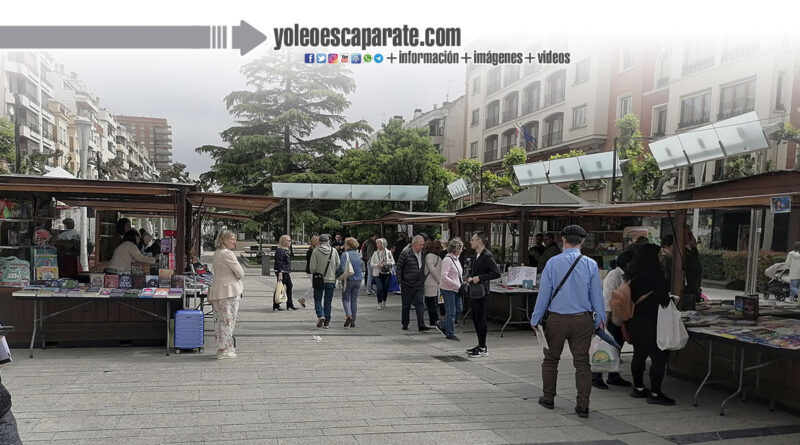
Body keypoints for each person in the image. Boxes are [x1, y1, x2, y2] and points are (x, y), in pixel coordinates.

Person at [530, 225, 605, 418]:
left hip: (557, 319)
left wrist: (536, 317)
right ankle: (583, 405)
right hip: (582, 320)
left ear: (563, 240)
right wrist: (601, 319)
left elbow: (544, 293)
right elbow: (597, 294)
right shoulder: (590, 264)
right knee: (582, 363)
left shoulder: (553, 263)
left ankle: (548, 397)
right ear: (582, 242)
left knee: (550, 359)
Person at [626, 243, 675, 405]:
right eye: (659, 255)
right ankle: (655, 393)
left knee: (638, 354)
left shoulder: (632, 275)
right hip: (653, 322)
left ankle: (638, 388)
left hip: (635, 321)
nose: (661, 257)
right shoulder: (656, 277)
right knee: (659, 358)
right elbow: (664, 300)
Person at [592, 250, 635, 390]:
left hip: (620, 317)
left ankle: (613, 374)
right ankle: (596, 376)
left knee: (616, 346)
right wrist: (605, 321)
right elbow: (606, 297)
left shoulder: (627, 275)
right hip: (610, 317)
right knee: (604, 347)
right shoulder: (614, 275)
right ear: (628, 263)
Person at [208, 229, 244, 359]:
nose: (235, 241)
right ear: (224, 240)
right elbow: (240, 273)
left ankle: (222, 347)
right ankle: (226, 348)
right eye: (232, 239)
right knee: (228, 320)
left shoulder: (217, 253)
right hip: (229, 291)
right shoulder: (228, 254)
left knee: (219, 320)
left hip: (217, 290)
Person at [465, 231, 501, 358]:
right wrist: (470, 277)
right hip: (475, 291)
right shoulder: (477, 255)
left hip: (482, 292)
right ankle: (480, 344)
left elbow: (496, 273)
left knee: (480, 318)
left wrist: (480, 277)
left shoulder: (487, 255)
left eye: (473, 239)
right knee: (475, 317)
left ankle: (483, 347)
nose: (471, 242)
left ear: (479, 241)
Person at [395, 235, 432, 332]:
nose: (422, 247)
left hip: (419, 283)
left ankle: (421, 324)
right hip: (407, 283)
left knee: (420, 304)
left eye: (423, 245)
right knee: (406, 305)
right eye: (420, 245)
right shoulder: (405, 253)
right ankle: (405, 323)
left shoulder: (423, 254)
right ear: (414, 244)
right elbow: (399, 268)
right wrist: (400, 281)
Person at [309, 234, 340, 329]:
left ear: (319, 242)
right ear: (328, 241)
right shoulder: (334, 251)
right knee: (328, 301)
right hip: (331, 279)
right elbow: (338, 265)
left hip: (319, 279)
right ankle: (327, 322)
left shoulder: (315, 251)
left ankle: (320, 315)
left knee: (317, 298)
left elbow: (312, 268)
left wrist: (316, 272)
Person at [439, 237, 465, 341]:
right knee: (451, 311)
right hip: (448, 289)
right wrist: (456, 284)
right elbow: (444, 277)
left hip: (456, 289)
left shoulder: (457, 259)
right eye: (461, 248)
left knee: (459, 309)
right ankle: (450, 333)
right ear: (456, 249)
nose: (462, 250)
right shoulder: (447, 260)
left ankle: (443, 324)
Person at [337, 237, 363, 328]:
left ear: (348, 245)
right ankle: (353, 320)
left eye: (345, 244)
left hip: (349, 279)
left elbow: (342, 267)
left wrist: (337, 275)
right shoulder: (358, 254)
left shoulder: (345, 254)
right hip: (359, 279)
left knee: (346, 298)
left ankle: (348, 315)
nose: (344, 245)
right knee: (354, 300)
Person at [423, 239, 444, 328]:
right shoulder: (439, 258)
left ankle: (433, 320)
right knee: (434, 303)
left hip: (430, 283)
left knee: (430, 303)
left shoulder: (429, 257)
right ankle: (435, 319)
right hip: (437, 284)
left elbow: (432, 270)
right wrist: (440, 281)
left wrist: (438, 280)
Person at [370, 238, 395, 310]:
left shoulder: (388, 252)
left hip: (387, 272)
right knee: (379, 288)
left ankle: (384, 300)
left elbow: (393, 262)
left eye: (378, 243)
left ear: (383, 244)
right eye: (377, 243)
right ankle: (379, 303)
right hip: (377, 273)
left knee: (385, 288)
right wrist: (377, 265)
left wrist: (389, 263)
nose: (377, 245)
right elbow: (371, 264)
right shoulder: (375, 253)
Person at [274, 235, 297, 311]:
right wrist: (280, 272)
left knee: (288, 286)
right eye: (288, 241)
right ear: (284, 241)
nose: (290, 242)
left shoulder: (285, 250)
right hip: (282, 271)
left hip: (285, 271)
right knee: (280, 287)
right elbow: (278, 262)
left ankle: (289, 303)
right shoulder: (280, 250)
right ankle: (277, 303)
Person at [684, 231, 703, 299]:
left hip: (694, 288)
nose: (692, 238)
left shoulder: (692, 251)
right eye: (688, 235)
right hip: (688, 289)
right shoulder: (683, 252)